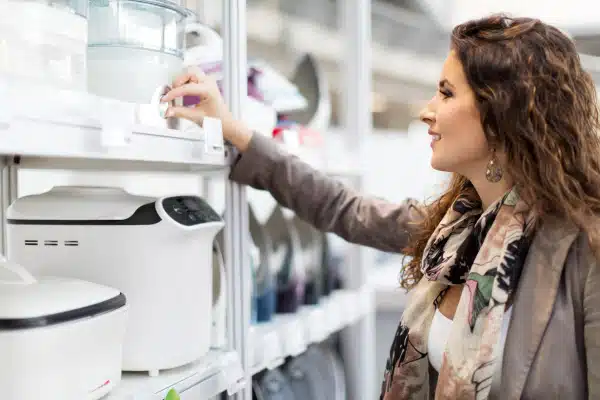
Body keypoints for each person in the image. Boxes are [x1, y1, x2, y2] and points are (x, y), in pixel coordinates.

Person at [161, 14, 600, 400]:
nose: (427, 112)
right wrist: (234, 131)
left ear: (501, 113)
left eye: (446, 94)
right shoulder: (458, 228)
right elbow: (344, 209)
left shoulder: (584, 247)